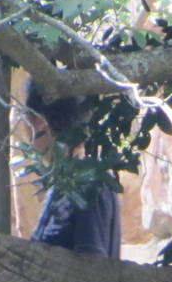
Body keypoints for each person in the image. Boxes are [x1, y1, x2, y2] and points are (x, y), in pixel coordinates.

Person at [24, 83, 121, 259]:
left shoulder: (87, 183)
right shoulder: (64, 182)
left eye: (25, 118)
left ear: (39, 123)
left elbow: (92, 265)